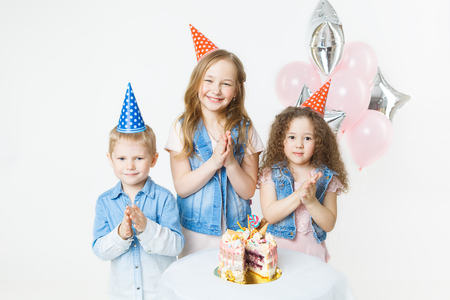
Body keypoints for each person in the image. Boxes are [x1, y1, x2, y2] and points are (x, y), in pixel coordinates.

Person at [165, 25, 264, 258]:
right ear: (197, 82)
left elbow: (248, 190)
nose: (216, 90)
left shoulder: (246, 131)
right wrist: (213, 162)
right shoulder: (182, 128)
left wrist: (230, 162)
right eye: (208, 80)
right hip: (194, 234)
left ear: (237, 90)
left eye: (226, 84)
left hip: (236, 233)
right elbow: (182, 186)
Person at [93, 83, 184, 300]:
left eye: (139, 158)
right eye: (122, 158)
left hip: (161, 293)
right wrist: (121, 234)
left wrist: (146, 228)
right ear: (110, 159)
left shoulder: (164, 198)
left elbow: (177, 245)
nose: (130, 166)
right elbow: (99, 250)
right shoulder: (105, 202)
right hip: (122, 294)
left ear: (153, 159)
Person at [259, 81, 348, 262]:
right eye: (292, 137)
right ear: (281, 140)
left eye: (307, 138)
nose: (299, 144)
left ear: (319, 142)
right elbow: (270, 215)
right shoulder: (271, 174)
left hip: (312, 257)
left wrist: (311, 201)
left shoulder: (327, 178)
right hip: (278, 257)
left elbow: (329, 224)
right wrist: (299, 194)